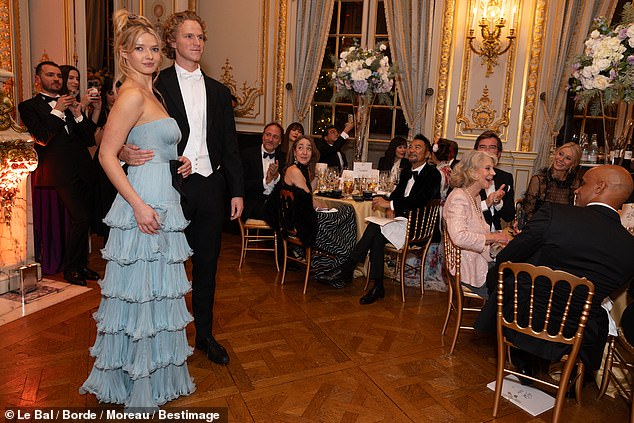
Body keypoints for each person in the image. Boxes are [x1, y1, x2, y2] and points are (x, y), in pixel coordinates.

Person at [79, 10, 195, 409]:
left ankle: (154, 374)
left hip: (163, 195)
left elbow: (150, 144)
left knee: (157, 293)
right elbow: (108, 156)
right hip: (143, 202)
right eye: (140, 49)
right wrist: (139, 205)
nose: (149, 55)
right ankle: (133, 381)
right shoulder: (130, 94)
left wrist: (177, 160)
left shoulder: (153, 93)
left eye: (154, 48)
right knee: (140, 294)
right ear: (124, 55)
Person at [122, 10, 244, 365]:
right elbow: (129, 132)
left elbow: (231, 145)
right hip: (167, 188)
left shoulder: (220, 92)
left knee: (206, 266)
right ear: (172, 42)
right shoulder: (154, 84)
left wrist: (236, 190)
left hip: (209, 187)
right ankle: (163, 337)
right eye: (189, 37)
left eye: (200, 37)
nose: (196, 43)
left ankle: (205, 335)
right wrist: (124, 151)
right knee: (165, 266)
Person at [476, 165, 634, 374]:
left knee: (510, 281)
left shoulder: (555, 214)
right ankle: (569, 377)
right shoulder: (629, 247)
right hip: (577, 331)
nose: (577, 189)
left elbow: (507, 258)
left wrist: (495, 288)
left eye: (583, 183)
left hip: (523, 317)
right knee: (601, 315)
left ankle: (525, 362)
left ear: (600, 187)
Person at [321, 135, 441, 304]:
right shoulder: (407, 171)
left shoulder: (433, 174)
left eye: (418, 147)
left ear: (428, 154)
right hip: (401, 223)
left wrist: (391, 204)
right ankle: (377, 286)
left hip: (417, 228)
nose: (412, 150)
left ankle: (348, 268)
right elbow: (397, 194)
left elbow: (420, 200)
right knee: (376, 234)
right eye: (411, 146)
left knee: (374, 228)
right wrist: (390, 204)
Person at [18, 61, 98, 286]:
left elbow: (88, 140)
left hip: (82, 168)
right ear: (38, 79)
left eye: (58, 76)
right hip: (58, 171)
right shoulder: (28, 106)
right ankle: (71, 269)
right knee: (80, 217)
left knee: (87, 220)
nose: (56, 79)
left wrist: (79, 115)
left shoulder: (70, 104)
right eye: (50, 75)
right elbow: (42, 137)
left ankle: (82, 265)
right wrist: (57, 111)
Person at [281, 136, 356, 286]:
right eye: (300, 147)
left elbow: (309, 191)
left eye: (308, 148)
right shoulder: (294, 170)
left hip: (301, 218)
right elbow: (312, 201)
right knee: (348, 211)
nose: (305, 152)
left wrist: (316, 174)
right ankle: (342, 262)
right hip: (301, 223)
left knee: (345, 214)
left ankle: (334, 267)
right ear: (294, 152)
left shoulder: (300, 170)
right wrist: (327, 207)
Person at [443, 150, 511, 298]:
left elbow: (475, 226)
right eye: (488, 168)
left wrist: (499, 245)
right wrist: (493, 237)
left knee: (515, 277)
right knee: (513, 288)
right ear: (473, 173)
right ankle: (493, 320)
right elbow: (459, 237)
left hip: (478, 262)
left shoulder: (473, 196)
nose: (493, 173)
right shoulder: (458, 198)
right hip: (467, 270)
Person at [522, 142, 582, 221]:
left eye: (568, 158)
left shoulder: (576, 184)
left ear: (573, 164)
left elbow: (575, 213)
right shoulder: (538, 180)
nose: (561, 159)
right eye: (560, 154)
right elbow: (528, 212)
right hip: (539, 226)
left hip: (563, 227)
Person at [241, 122, 286, 220]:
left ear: (280, 141)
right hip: (253, 204)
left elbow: (286, 186)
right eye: (268, 135)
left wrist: (276, 176)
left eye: (275, 137)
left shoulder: (283, 158)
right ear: (263, 136)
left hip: (275, 204)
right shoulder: (247, 155)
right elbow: (241, 184)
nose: (270, 139)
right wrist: (265, 182)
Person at [474, 130, 515, 230]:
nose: (486, 151)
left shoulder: (505, 178)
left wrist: (498, 203)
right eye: (482, 147)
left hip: (496, 234)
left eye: (492, 147)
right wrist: (486, 203)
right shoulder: (464, 176)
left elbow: (509, 216)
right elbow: (458, 211)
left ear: (499, 154)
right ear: (475, 152)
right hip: (472, 235)